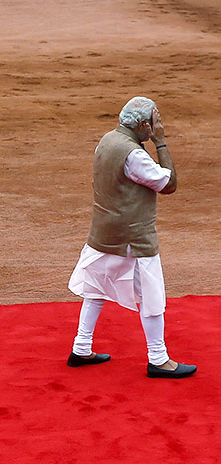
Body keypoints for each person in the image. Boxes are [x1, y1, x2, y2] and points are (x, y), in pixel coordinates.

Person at [67, 96, 196, 379]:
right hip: (134, 238)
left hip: (103, 232)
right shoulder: (134, 155)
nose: (155, 127)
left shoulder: (107, 140)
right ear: (142, 125)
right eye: (153, 123)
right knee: (151, 296)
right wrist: (160, 142)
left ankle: (81, 347)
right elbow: (169, 184)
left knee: (95, 290)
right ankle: (159, 359)